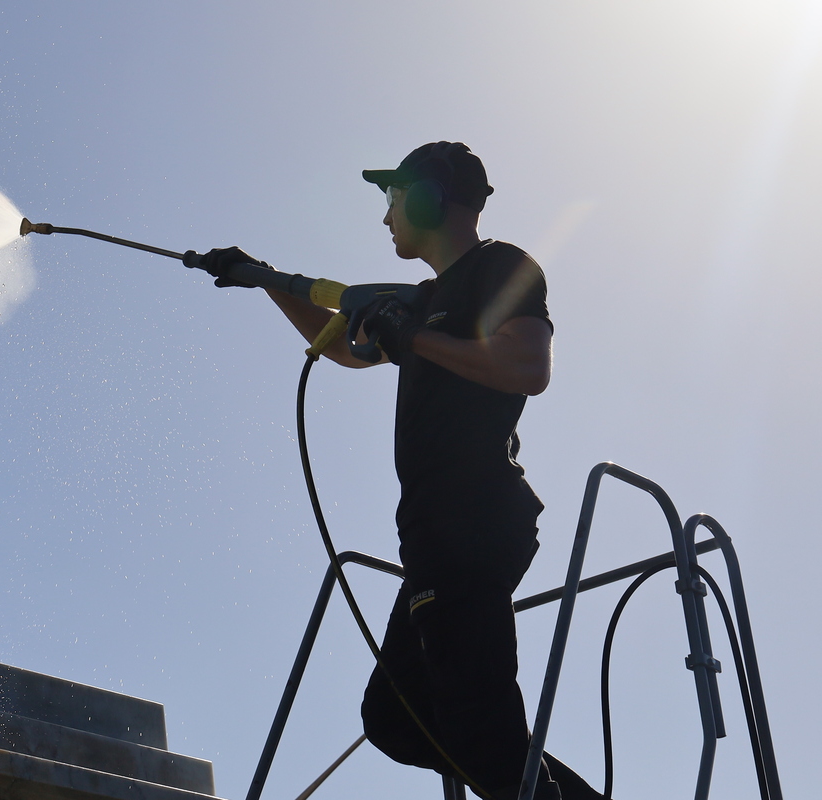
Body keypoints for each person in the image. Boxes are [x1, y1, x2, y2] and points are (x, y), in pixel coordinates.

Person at [193, 142, 601, 799]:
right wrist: (264, 277)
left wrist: (413, 340)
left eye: (393, 199)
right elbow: (350, 351)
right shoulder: (426, 298)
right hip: (434, 535)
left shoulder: (501, 267)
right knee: (396, 718)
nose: (386, 217)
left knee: (476, 729)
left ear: (430, 198)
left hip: (472, 521)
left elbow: (528, 365)